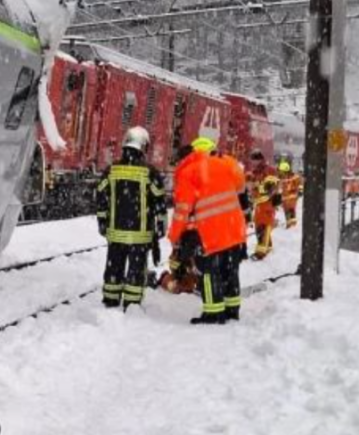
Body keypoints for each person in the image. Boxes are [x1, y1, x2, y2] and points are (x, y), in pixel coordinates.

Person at [170, 137, 247, 324]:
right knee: (231, 271)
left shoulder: (190, 171)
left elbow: (182, 210)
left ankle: (213, 314)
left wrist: (174, 236)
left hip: (210, 233)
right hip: (234, 229)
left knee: (209, 272)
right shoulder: (227, 164)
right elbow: (240, 187)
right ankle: (231, 310)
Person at [95, 127, 167, 310]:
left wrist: (102, 222)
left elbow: (100, 197)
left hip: (116, 233)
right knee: (136, 271)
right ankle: (132, 303)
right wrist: (160, 227)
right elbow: (160, 202)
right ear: (143, 146)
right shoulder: (150, 173)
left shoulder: (111, 171)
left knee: (114, 267)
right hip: (139, 235)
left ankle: (110, 299)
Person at [247, 150, 281, 260]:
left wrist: (264, 190)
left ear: (260, 159)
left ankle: (260, 253)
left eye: (255, 160)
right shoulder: (254, 172)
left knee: (263, 227)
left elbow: (273, 187)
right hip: (259, 204)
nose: (253, 163)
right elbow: (252, 187)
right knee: (259, 227)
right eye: (252, 161)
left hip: (267, 203)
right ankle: (268, 247)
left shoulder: (269, 171)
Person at [279, 160, 302, 228]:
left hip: (292, 200)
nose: (281, 173)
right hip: (285, 201)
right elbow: (281, 189)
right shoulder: (282, 179)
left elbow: (300, 185)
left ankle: (292, 227)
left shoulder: (294, 177)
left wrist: (299, 191)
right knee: (287, 214)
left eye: (282, 171)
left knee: (291, 212)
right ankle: (289, 226)